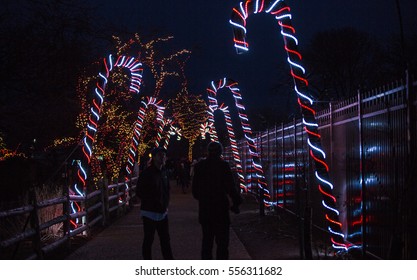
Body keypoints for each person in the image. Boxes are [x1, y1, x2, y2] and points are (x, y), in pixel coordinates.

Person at [192, 141, 242, 259]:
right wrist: (237, 202)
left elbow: (195, 191)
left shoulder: (199, 166)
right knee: (222, 244)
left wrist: (204, 198)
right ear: (220, 152)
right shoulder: (223, 166)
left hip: (205, 210)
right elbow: (231, 187)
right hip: (221, 210)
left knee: (207, 243)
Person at [136, 147, 174, 260]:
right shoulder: (147, 173)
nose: (162, 157)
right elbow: (139, 191)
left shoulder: (164, 172)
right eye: (160, 155)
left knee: (165, 240)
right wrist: (151, 201)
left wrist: (166, 204)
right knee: (149, 240)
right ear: (154, 157)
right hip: (150, 212)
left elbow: (166, 190)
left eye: (164, 155)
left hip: (162, 212)